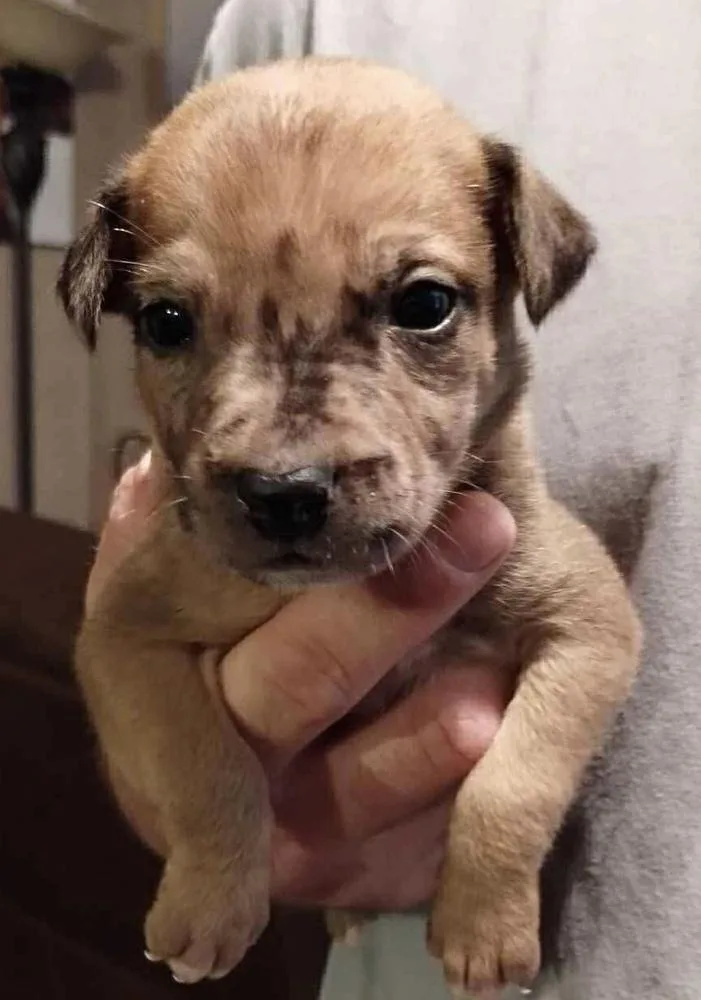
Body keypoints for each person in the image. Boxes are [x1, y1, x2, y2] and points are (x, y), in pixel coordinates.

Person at [94, 2, 701, 998]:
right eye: (172, 319)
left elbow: (591, 634)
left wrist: (496, 851)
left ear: (517, 289)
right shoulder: (291, 16)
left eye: (419, 306)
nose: (282, 458)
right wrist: (212, 825)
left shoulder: (508, 518)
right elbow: (123, 644)